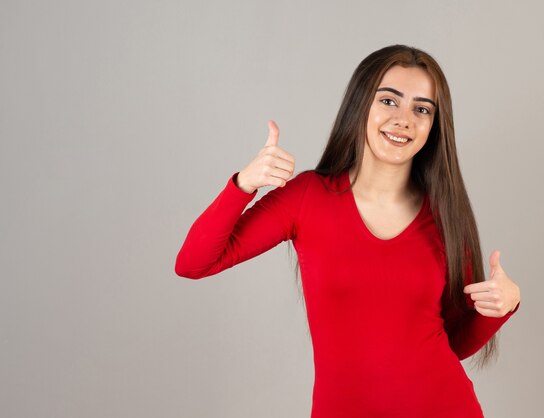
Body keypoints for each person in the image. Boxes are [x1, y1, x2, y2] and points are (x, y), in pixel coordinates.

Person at [175, 44, 521, 418]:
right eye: (389, 101)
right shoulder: (308, 197)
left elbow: (452, 342)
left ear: (434, 126)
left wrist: (502, 307)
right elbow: (194, 263)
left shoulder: (445, 216)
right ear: (360, 105)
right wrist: (242, 185)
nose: (404, 119)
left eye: (422, 109)